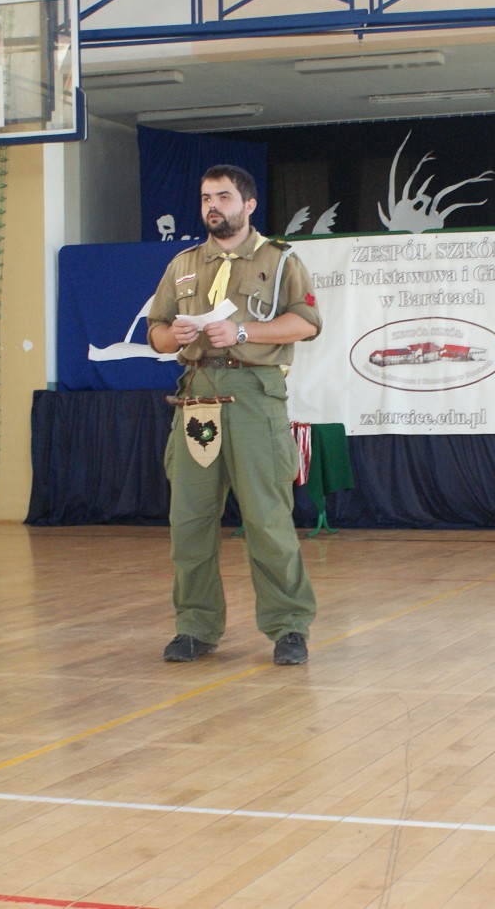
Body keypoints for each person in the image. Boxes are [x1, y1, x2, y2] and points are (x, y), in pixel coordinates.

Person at [147, 164, 321, 666]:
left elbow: (307, 323)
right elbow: (156, 331)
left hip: (253, 396)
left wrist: (244, 332)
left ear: (249, 205)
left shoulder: (280, 260)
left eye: (223, 197)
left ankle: (289, 626)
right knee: (190, 520)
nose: (213, 206)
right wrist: (173, 336)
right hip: (196, 396)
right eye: (206, 198)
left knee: (267, 518)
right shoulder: (183, 264)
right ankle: (195, 626)